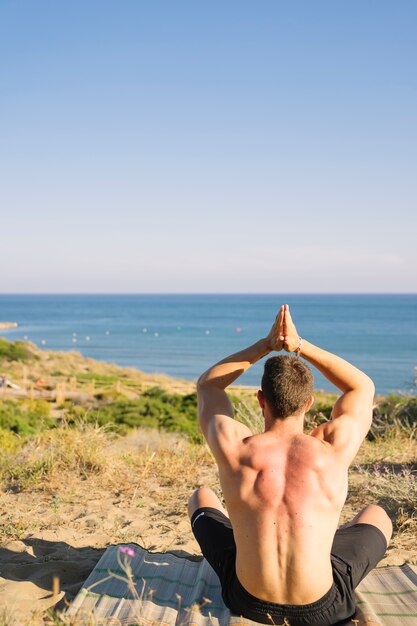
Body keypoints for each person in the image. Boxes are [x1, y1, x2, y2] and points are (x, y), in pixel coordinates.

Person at [189, 304, 392, 626]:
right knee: (376, 514)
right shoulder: (333, 447)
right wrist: (299, 346)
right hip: (323, 606)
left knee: (201, 497)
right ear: (309, 402)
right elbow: (361, 387)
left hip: (247, 601)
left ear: (261, 400)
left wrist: (267, 345)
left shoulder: (233, 445)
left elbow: (209, 385)